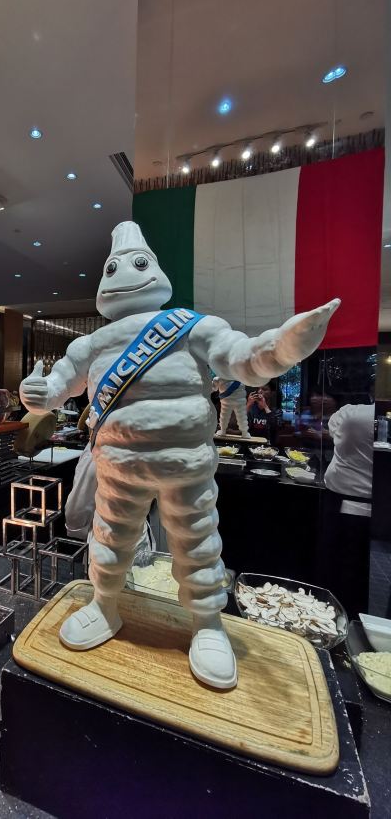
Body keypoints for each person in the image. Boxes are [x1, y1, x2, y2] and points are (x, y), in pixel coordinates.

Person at [20, 219, 339, 690]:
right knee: (109, 538)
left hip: (185, 464)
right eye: (115, 268)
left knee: (196, 543)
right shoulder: (89, 344)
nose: (126, 275)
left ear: (155, 269)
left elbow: (243, 358)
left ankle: (207, 625)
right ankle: (103, 606)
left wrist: (282, 347)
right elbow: (57, 387)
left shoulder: (192, 326)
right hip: (118, 465)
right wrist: (37, 392)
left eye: (137, 264)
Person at [317, 402, 374, 616]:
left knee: (336, 564)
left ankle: (332, 612)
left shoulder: (352, 414)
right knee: (363, 570)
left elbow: (332, 429)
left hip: (342, 501)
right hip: (374, 505)